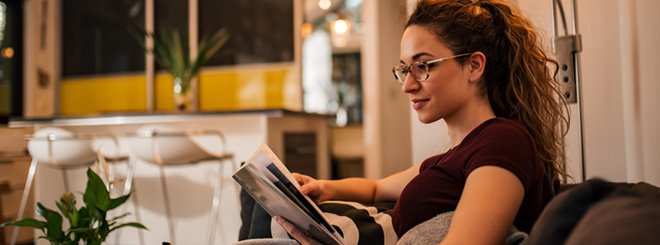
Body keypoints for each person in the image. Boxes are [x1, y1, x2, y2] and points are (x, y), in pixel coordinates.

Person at [276, 0, 569, 244]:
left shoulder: (503, 142)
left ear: (474, 65)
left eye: (423, 66)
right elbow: (377, 189)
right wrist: (323, 187)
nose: (407, 85)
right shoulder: (452, 157)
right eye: (405, 69)